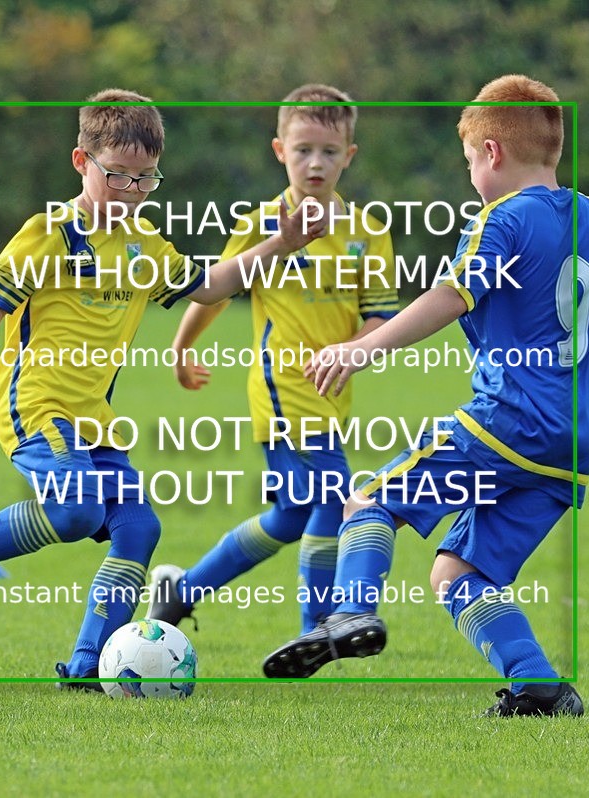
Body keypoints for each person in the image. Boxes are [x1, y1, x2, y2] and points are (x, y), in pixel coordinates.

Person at [261, 74, 589, 717]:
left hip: (508, 419)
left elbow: (450, 296)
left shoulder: (500, 221)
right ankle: (537, 685)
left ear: (491, 154)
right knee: (460, 574)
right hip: (573, 443)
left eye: (468, 163)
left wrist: (360, 348)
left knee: (370, 500)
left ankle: (349, 613)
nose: (470, 178)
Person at [0, 88, 326, 688]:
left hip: (93, 417)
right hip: (34, 403)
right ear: (81, 162)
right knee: (73, 510)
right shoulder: (49, 233)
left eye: (147, 180)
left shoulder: (144, 245)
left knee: (139, 529)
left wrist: (282, 244)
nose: (132, 192)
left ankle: (88, 669)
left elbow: (211, 285)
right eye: (118, 176)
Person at [147, 84, 398, 636]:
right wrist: (182, 346)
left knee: (290, 517)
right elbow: (215, 290)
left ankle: (181, 591)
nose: (315, 162)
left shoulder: (369, 234)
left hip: (331, 393)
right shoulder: (261, 225)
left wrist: (355, 348)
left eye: (329, 152)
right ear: (279, 150)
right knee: (334, 498)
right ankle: (319, 627)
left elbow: (381, 315)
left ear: (349, 156)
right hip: (281, 387)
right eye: (303, 148)